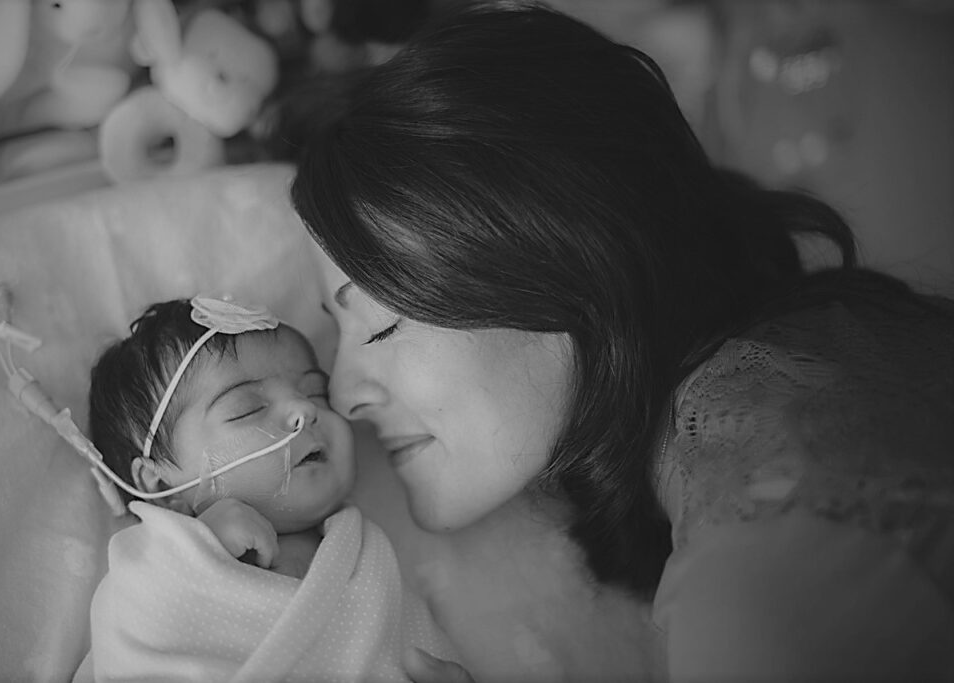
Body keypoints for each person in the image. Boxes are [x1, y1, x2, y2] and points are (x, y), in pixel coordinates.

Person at [289, 2, 954, 681]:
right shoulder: (817, 364)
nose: (343, 394)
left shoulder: (773, 546)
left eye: (380, 321)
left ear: (555, 250)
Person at [78, 297, 456, 682]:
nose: (304, 410)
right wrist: (197, 551)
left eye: (317, 394)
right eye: (247, 408)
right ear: (159, 482)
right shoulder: (155, 572)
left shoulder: (364, 557)